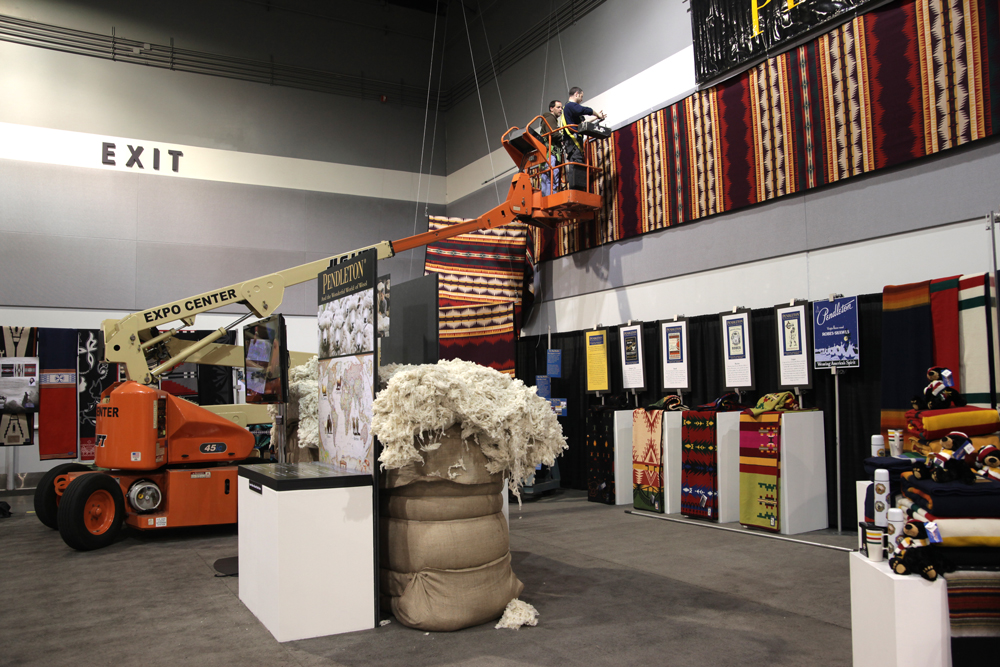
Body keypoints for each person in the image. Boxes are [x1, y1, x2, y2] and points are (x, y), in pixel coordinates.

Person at [561, 87, 606, 190]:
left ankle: (579, 189)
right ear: (576, 94)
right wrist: (596, 113)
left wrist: (597, 117)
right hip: (573, 142)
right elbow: (583, 110)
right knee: (576, 164)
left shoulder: (572, 112)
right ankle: (577, 190)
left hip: (575, 143)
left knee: (578, 164)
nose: (581, 100)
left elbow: (582, 123)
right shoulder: (570, 106)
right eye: (581, 97)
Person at [539, 100, 563, 195]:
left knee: (546, 178)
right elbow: (553, 133)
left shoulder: (547, 119)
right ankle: (551, 197)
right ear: (551, 108)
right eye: (558, 107)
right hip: (551, 153)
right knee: (551, 177)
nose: (560, 109)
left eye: (561, 107)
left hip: (546, 154)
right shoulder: (550, 118)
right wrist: (563, 137)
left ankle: (546, 197)